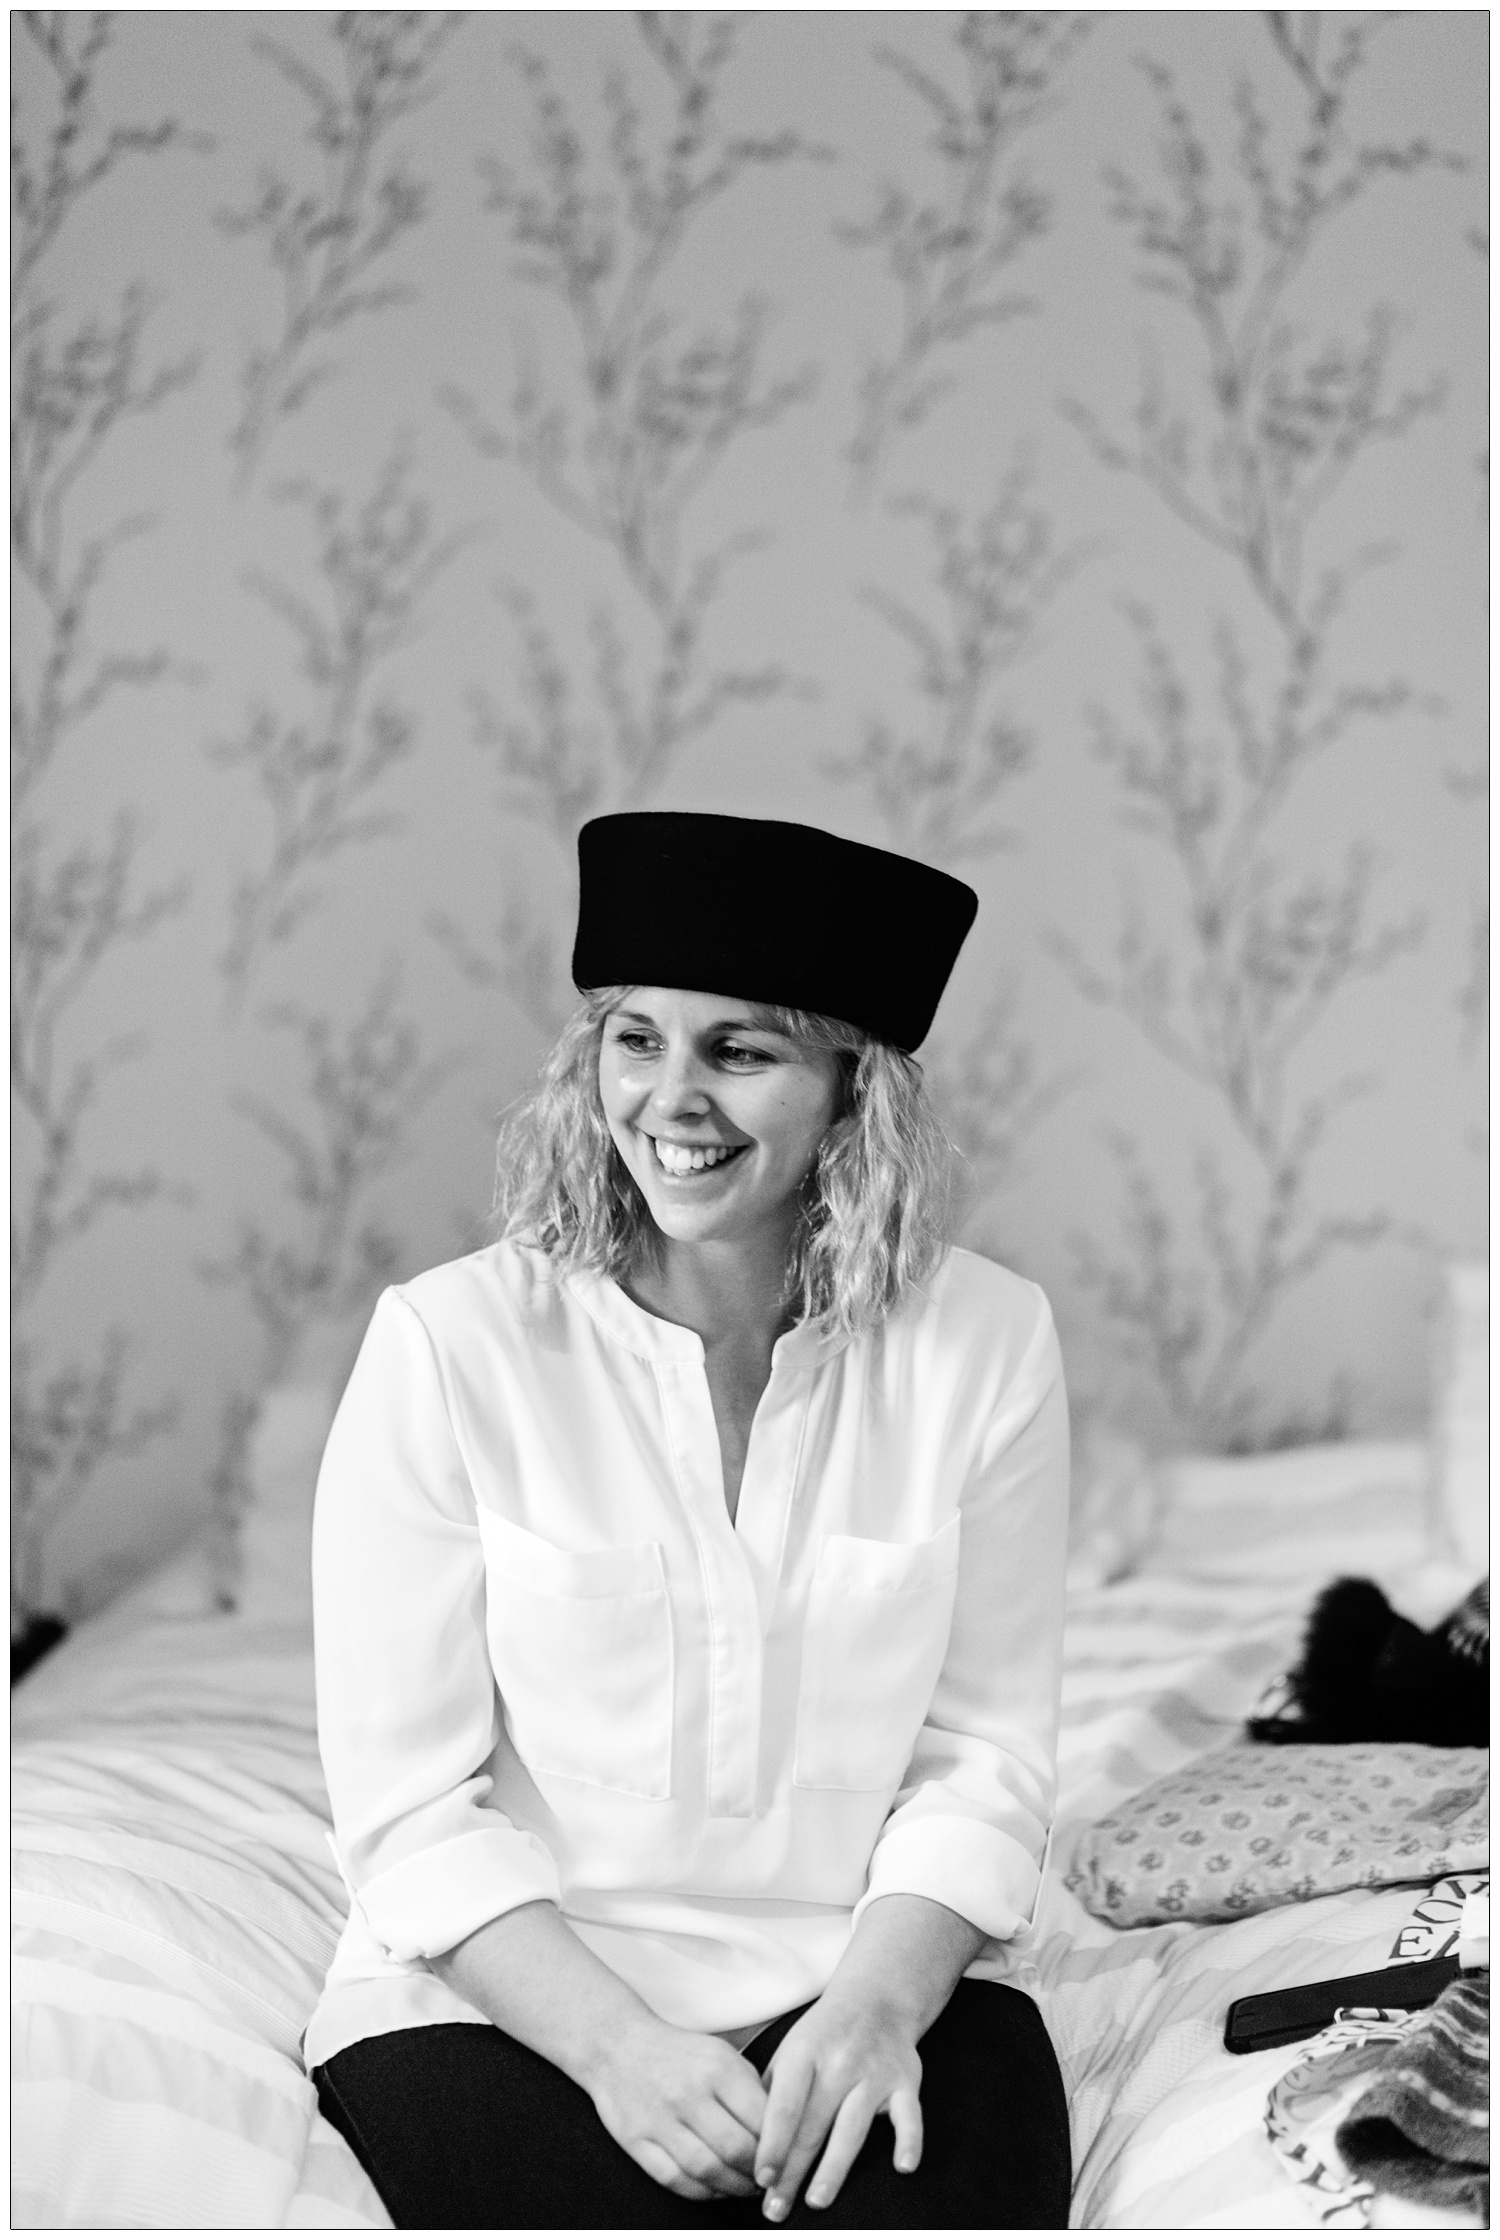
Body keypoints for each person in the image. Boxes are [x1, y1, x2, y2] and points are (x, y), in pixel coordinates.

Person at [305, 811, 1073, 2228]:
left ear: (856, 1091)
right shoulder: (450, 1343)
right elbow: (410, 1811)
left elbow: (983, 1759)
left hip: (863, 1980)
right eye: (635, 1039)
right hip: (502, 2005)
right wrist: (622, 2054)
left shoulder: (986, 1342)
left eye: (741, 1049)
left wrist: (873, 2010)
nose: (671, 1097)